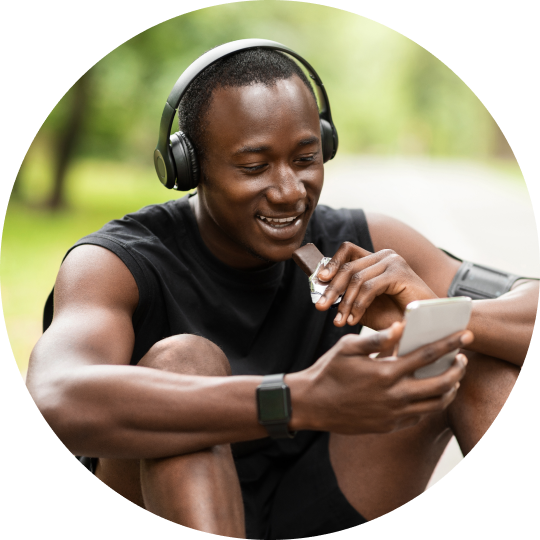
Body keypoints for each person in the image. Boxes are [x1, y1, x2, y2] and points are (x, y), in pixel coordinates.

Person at [27, 43, 538, 540]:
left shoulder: (359, 243)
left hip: (318, 501)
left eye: (305, 158)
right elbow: (61, 395)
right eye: (254, 167)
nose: (290, 190)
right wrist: (299, 400)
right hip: (157, 508)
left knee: (472, 355)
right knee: (184, 360)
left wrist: (436, 310)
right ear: (189, 167)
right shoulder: (117, 262)